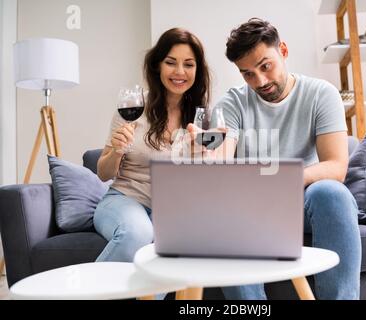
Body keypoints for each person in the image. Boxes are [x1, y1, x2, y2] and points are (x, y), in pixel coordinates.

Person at [189, 18, 362, 300]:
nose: (260, 81)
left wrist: (280, 178)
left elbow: (336, 167)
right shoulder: (232, 104)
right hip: (251, 211)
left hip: (303, 205)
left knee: (331, 192)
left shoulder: (321, 94)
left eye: (265, 66)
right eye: (247, 74)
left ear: (283, 50)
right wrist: (208, 155)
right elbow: (223, 151)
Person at [93, 28, 265, 300]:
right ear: (157, 65)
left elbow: (206, 182)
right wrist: (116, 150)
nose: (179, 72)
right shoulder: (133, 107)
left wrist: (204, 156)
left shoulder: (202, 118)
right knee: (138, 232)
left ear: (197, 70)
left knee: (175, 242)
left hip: (173, 208)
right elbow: (103, 173)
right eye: (171, 62)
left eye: (188, 64)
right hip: (126, 198)